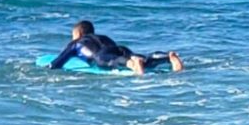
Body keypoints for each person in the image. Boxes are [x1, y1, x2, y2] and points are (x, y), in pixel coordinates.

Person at [49, 20, 184, 74]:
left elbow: (58, 63)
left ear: (78, 33)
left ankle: (131, 64)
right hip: (119, 48)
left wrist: (48, 68)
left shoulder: (75, 43)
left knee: (105, 62)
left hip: (102, 55)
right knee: (142, 58)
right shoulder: (103, 37)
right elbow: (114, 49)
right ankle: (167, 57)